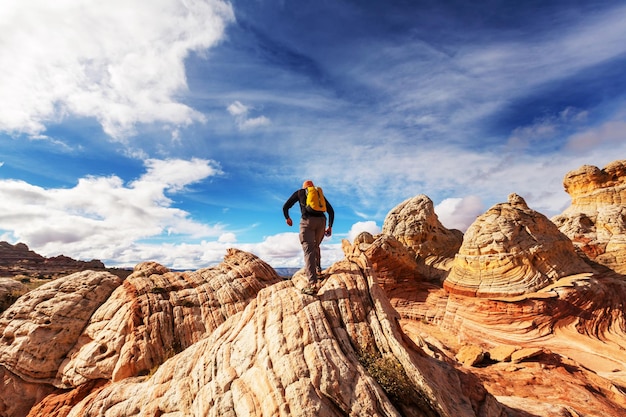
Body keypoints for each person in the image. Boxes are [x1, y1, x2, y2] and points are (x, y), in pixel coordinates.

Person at [283, 180, 334, 295]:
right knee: (316, 246)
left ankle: (313, 284)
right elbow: (331, 211)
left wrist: (287, 218)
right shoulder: (319, 196)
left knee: (308, 249)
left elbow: (286, 206)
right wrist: (329, 227)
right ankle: (318, 271)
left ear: (304, 187)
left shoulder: (300, 192)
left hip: (307, 221)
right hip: (322, 221)